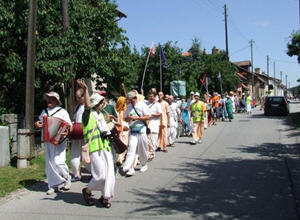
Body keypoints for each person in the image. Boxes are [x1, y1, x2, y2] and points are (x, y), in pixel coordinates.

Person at [81, 93, 115, 208]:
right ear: (95, 103)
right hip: (94, 148)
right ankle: (87, 190)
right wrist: (85, 90)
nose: (103, 104)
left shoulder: (101, 114)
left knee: (109, 174)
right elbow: (86, 106)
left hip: (105, 147)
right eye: (101, 102)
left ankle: (105, 198)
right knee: (100, 175)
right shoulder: (87, 115)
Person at [35, 91, 72, 195]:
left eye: (52, 98)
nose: (49, 100)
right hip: (48, 140)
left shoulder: (62, 111)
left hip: (59, 140)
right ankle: (52, 185)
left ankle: (66, 177)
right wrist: (38, 124)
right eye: (48, 98)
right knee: (49, 163)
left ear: (56, 100)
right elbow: (40, 122)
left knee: (58, 161)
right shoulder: (44, 111)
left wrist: (66, 132)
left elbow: (69, 125)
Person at [123, 91, 150, 176]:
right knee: (131, 148)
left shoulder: (142, 105)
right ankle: (129, 167)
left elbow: (148, 116)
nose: (130, 102)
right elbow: (125, 119)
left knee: (142, 148)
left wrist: (137, 118)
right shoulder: (129, 107)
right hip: (132, 130)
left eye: (131, 100)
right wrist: (129, 117)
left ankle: (144, 164)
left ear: (135, 98)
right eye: (129, 100)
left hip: (141, 129)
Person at [70, 80, 87, 182]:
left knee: (87, 155)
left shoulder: (88, 107)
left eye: (79, 97)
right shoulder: (77, 107)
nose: (77, 99)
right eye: (76, 97)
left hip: (85, 133)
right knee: (74, 154)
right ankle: (77, 174)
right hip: (77, 133)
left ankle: (95, 173)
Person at [146, 92, 162, 160]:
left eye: (152, 96)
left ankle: (152, 154)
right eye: (149, 96)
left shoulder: (157, 104)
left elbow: (160, 114)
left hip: (154, 125)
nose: (150, 98)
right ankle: (148, 154)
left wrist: (152, 115)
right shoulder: (146, 103)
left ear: (155, 97)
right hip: (147, 125)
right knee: (147, 141)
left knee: (153, 141)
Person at [115, 96, 129, 166]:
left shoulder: (126, 110)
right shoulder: (116, 111)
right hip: (118, 131)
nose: (124, 104)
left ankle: (120, 159)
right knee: (120, 145)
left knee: (124, 144)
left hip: (125, 130)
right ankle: (119, 159)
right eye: (123, 102)